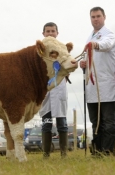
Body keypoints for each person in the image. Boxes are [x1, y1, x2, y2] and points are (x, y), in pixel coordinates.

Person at [80, 7, 115, 156]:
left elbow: (105, 45)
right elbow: (90, 58)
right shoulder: (90, 36)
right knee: (95, 120)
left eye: (98, 16)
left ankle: (108, 150)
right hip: (92, 86)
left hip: (106, 84)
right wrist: (83, 64)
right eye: (93, 17)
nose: (95, 19)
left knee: (107, 120)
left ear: (104, 17)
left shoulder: (108, 34)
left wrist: (95, 45)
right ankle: (97, 149)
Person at [39, 22, 70, 158]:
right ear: (43, 34)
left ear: (57, 33)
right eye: (48, 31)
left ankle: (63, 153)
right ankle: (46, 153)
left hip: (59, 88)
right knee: (46, 123)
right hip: (45, 89)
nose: (50, 33)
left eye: (53, 31)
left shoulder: (63, 50)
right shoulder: (39, 51)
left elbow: (69, 65)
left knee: (62, 123)